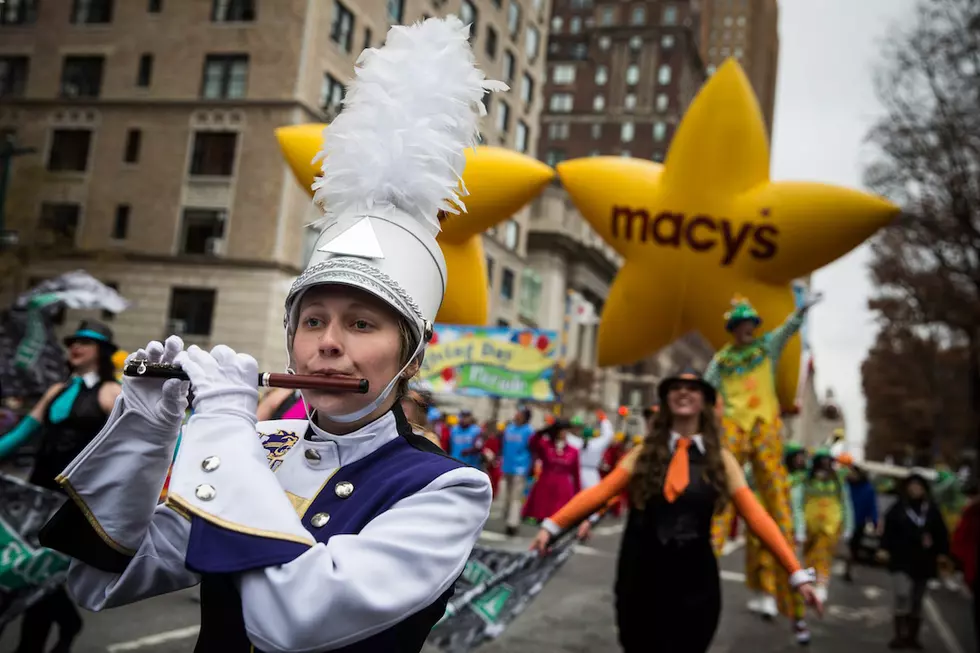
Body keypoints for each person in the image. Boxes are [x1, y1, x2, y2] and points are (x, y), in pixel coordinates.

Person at [37, 16, 504, 652]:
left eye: (360, 323)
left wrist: (226, 418)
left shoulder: (444, 488)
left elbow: (291, 621)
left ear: (412, 357)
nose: (327, 343)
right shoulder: (266, 443)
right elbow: (106, 578)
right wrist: (145, 428)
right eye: (313, 321)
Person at [533, 370, 822, 653]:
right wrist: (552, 526)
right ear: (666, 399)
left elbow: (757, 516)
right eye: (675, 387)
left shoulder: (721, 459)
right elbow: (600, 493)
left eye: (693, 388)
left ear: (705, 403)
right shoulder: (643, 453)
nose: (683, 392)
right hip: (641, 579)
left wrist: (796, 573)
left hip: (694, 582)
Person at [0, 320, 121, 653]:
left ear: (102, 351)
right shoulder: (57, 390)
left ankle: (32, 646)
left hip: (74, 501)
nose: (75, 347)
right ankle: (68, 624)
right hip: (38, 495)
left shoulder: (112, 393)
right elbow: (25, 430)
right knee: (27, 571)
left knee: (38, 576)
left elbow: (134, 441)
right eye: (73, 342)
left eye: (85, 342)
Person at [706, 293, 821, 629]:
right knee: (720, 496)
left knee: (778, 501)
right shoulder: (722, 360)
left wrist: (800, 311)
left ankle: (790, 591)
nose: (747, 329)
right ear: (733, 328)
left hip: (765, 427)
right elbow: (704, 387)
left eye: (751, 324)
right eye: (741, 324)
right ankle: (703, 564)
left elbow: (786, 332)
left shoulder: (765, 349)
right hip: (732, 429)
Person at [879, 472, 950, 650]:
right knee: (902, 594)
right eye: (912, 486)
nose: (914, 489)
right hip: (901, 558)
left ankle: (912, 637)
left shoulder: (931, 509)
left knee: (917, 600)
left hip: (924, 560)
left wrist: (942, 553)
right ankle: (898, 636)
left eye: (918, 486)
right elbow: (888, 529)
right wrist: (884, 548)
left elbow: (941, 533)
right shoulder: (899, 507)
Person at [799, 449, 853, 604]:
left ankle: (821, 586)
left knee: (823, 556)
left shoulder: (838, 481)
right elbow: (799, 502)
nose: (825, 465)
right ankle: (808, 586)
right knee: (808, 556)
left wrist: (848, 526)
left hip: (830, 526)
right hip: (810, 525)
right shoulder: (806, 480)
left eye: (827, 461)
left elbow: (845, 504)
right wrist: (799, 525)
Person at [521, 419, 582, 525]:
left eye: (566, 431)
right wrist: (541, 432)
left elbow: (576, 473)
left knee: (559, 520)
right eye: (561, 430)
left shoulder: (573, 450)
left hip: (563, 489)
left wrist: (578, 494)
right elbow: (532, 444)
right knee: (542, 519)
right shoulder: (546, 445)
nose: (564, 433)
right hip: (545, 485)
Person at [498, 407, 534, 535]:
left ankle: (512, 524)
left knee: (516, 497)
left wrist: (531, 468)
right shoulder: (509, 428)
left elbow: (533, 450)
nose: (516, 416)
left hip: (521, 468)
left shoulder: (529, 431)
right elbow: (503, 446)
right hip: (507, 466)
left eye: (520, 414)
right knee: (506, 496)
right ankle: (508, 517)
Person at [844, 463, 880, 582]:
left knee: (853, 548)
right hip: (843, 521)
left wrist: (875, 522)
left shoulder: (867, 489)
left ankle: (849, 569)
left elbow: (872, 507)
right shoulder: (845, 486)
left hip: (858, 523)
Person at [567, 410, 615, 489]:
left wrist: (570, 423)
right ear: (592, 434)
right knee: (592, 498)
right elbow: (608, 435)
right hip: (592, 475)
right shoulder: (597, 444)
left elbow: (566, 435)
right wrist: (604, 420)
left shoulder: (576, 443)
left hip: (577, 473)